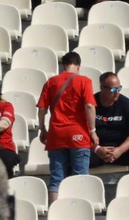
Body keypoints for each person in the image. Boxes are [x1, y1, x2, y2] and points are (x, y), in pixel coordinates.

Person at [38, 52, 97, 201]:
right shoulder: (84, 81)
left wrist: (42, 129)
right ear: (78, 65)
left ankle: (54, 214)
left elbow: (42, 109)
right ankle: (80, 211)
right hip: (78, 133)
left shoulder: (51, 82)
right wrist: (93, 131)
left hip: (56, 133)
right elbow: (89, 106)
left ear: (63, 65)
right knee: (80, 178)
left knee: (56, 179)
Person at [92, 72, 129, 172]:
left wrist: (120, 150)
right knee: (75, 154)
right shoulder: (91, 104)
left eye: (119, 88)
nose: (117, 92)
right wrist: (96, 149)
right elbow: (81, 132)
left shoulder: (125, 103)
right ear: (102, 88)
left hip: (120, 151)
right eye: (113, 89)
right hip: (97, 151)